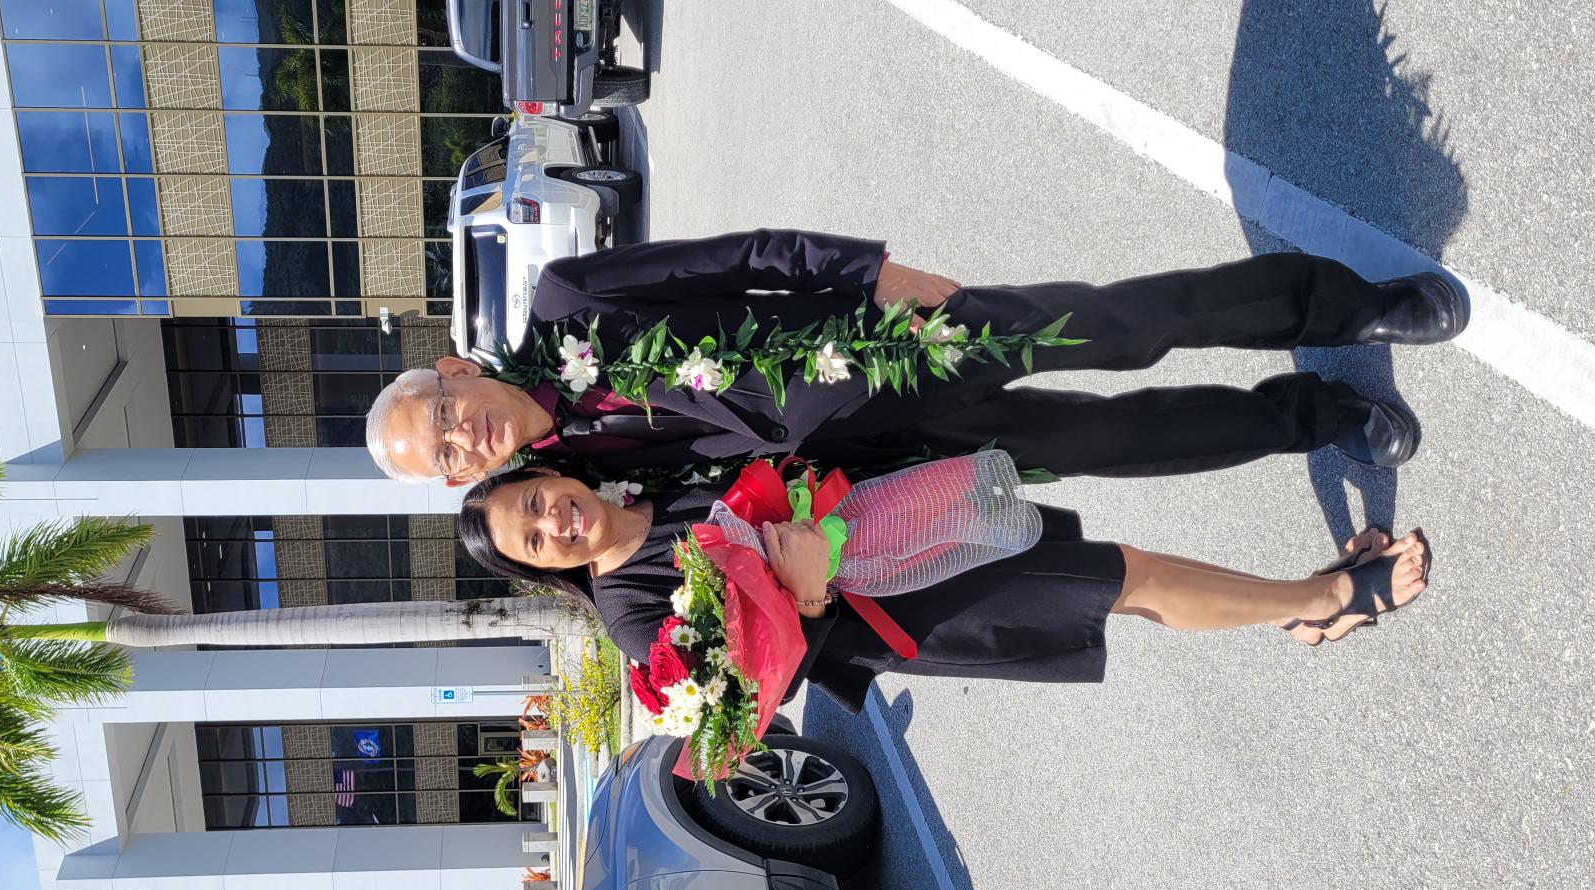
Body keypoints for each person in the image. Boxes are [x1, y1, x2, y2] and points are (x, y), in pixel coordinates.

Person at [366, 229, 1465, 486]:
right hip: (880, 456)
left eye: (443, 419)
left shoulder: (567, 301)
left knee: (1122, 325)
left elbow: (740, 255)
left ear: (454, 372)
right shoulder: (564, 494)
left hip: (882, 349)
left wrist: (880, 278)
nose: (464, 440)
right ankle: (1313, 416)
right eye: (447, 458)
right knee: (1110, 444)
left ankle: (1352, 306)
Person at [454, 467, 1432, 712]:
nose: (553, 521)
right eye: (533, 539)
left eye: (535, 500)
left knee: (1124, 572)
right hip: (904, 611)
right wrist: (806, 598)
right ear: (543, 566)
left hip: (900, 534)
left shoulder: (644, 484)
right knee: (1123, 581)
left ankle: (1307, 601)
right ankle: (1325, 601)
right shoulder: (634, 617)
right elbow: (757, 688)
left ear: (551, 476)